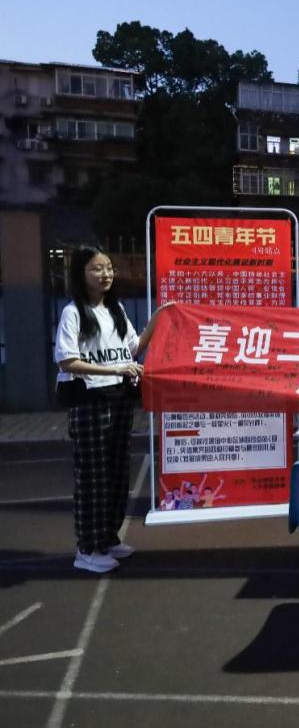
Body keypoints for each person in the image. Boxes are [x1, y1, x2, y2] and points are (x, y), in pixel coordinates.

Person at [54, 245, 171, 573]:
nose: (105, 274)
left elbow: (134, 348)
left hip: (118, 398)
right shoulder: (73, 313)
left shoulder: (115, 309)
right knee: (93, 477)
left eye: (108, 268)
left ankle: (108, 537)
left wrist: (158, 318)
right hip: (89, 401)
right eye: (96, 268)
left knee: (117, 472)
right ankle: (87, 548)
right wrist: (116, 369)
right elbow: (67, 360)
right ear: (80, 273)